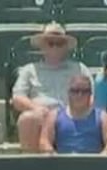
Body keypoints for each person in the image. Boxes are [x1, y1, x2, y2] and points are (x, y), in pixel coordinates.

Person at [11, 23, 93, 153]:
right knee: (27, 119)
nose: (55, 47)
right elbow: (17, 97)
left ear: (66, 47)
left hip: (72, 114)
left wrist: (76, 111)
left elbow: (93, 95)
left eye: (59, 43)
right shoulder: (29, 70)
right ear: (42, 46)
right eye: (50, 43)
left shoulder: (79, 68)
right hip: (41, 115)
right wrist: (36, 108)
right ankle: (30, 167)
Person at [40, 73, 107, 154]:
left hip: (94, 164)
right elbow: (44, 142)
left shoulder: (103, 116)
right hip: (62, 164)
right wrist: (54, 156)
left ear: (90, 94)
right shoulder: (54, 115)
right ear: (68, 92)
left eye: (85, 91)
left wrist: (102, 156)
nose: (80, 95)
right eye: (75, 91)